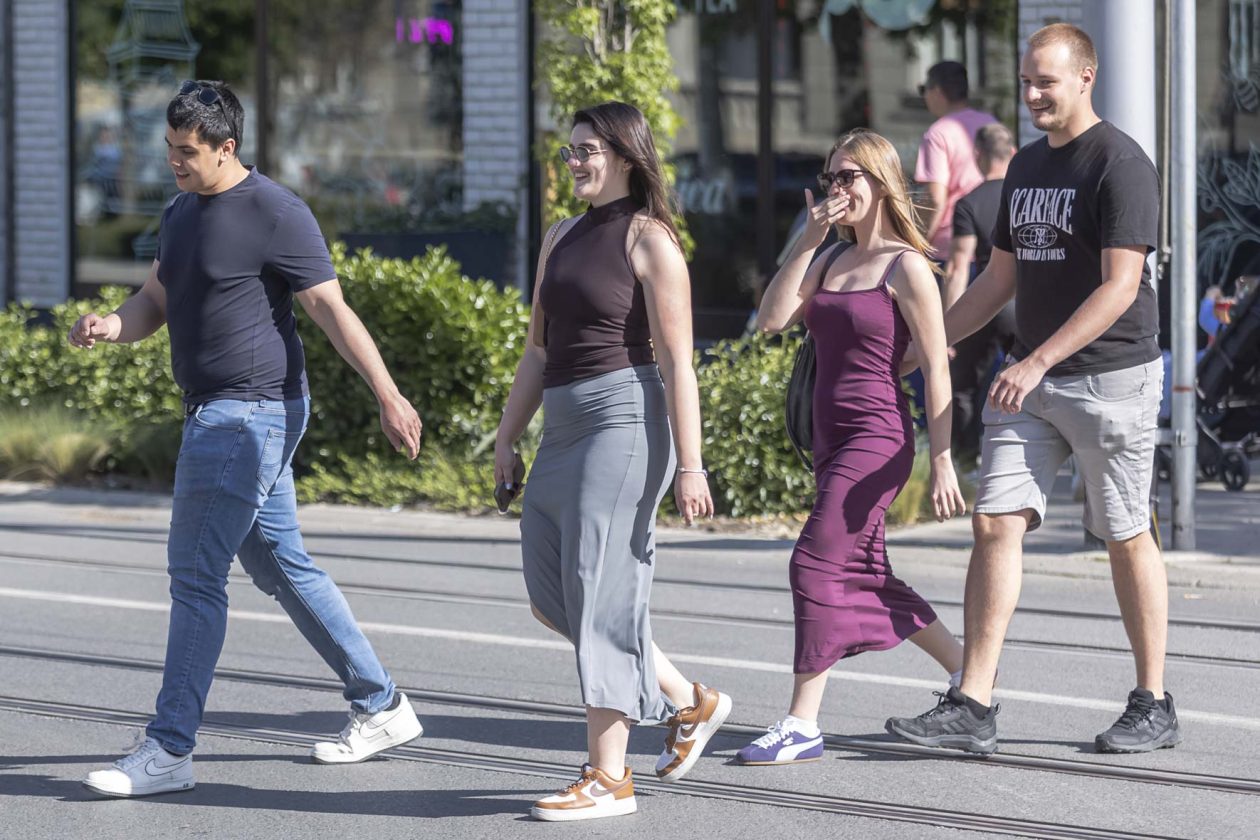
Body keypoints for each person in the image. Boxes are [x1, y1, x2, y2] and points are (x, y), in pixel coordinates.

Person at [69, 80, 425, 797]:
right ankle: (381, 703)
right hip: (221, 411)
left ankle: (169, 748)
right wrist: (113, 324)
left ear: (227, 148)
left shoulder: (275, 212)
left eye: (187, 151)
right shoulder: (180, 211)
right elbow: (156, 301)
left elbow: (330, 308)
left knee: (196, 577)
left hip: (248, 416)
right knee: (281, 565)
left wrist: (388, 395)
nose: (174, 161)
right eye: (169, 148)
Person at [886, 23, 1179, 755]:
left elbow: (1120, 288)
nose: (1033, 94)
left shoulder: (1121, 164)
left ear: (1086, 77)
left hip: (1110, 378)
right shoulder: (1023, 170)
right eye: (1025, 82)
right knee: (995, 521)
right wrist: (932, 344)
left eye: (1045, 81)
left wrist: (1038, 360)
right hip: (1034, 380)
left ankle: (1153, 702)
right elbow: (998, 278)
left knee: (1123, 533)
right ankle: (974, 702)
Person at [493, 101, 731, 822]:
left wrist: (692, 464)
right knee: (552, 594)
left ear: (626, 154)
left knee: (600, 594)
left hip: (626, 420)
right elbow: (538, 348)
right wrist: (507, 437)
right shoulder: (560, 236)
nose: (575, 162)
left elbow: (678, 361)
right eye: (569, 151)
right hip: (561, 427)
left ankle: (609, 778)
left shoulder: (649, 239)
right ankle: (689, 701)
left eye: (587, 150)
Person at [734, 128, 966, 766]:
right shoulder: (830, 260)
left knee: (813, 564)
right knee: (864, 573)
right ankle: (969, 674)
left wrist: (943, 457)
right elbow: (772, 320)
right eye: (831, 177)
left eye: (850, 177)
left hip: (878, 438)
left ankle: (801, 723)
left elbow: (938, 368)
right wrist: (809, 238)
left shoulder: (907, 266)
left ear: (881, 182)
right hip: (830, 440)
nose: (837, 189)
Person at [945, 122, 1018, 465]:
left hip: (987, 300)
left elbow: (958, 267)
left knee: (963, 385)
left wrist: (947, 329)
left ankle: (966, 459)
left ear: (977, 155)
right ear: (1013, 154)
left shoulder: (968, 203)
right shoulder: (1024, 196)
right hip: (1024, 301)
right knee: (1030, 377)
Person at [915, 61, 999, 261]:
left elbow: (935, 199)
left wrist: (918, 245)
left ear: (936, 91)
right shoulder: (990, 123)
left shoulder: (937, 133)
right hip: (990, 236)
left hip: (950, 245)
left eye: (923, 89)